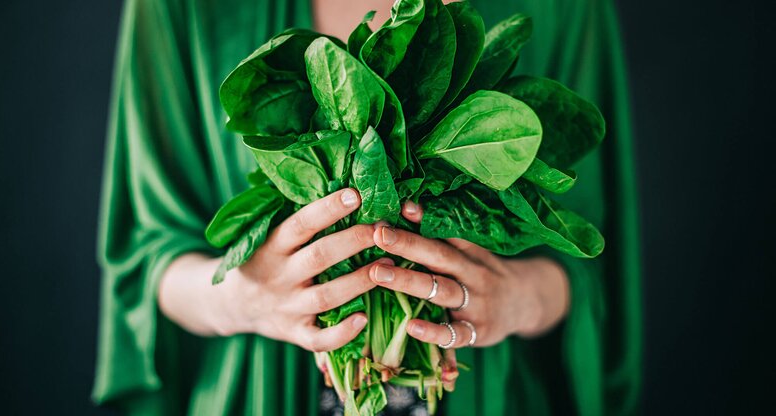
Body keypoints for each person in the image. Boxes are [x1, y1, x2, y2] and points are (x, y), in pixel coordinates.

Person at [93, 0, 641, 415]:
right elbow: (145, 257)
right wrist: (245, 298)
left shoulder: (568, 9)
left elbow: (591, 257)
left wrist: (516, 298)